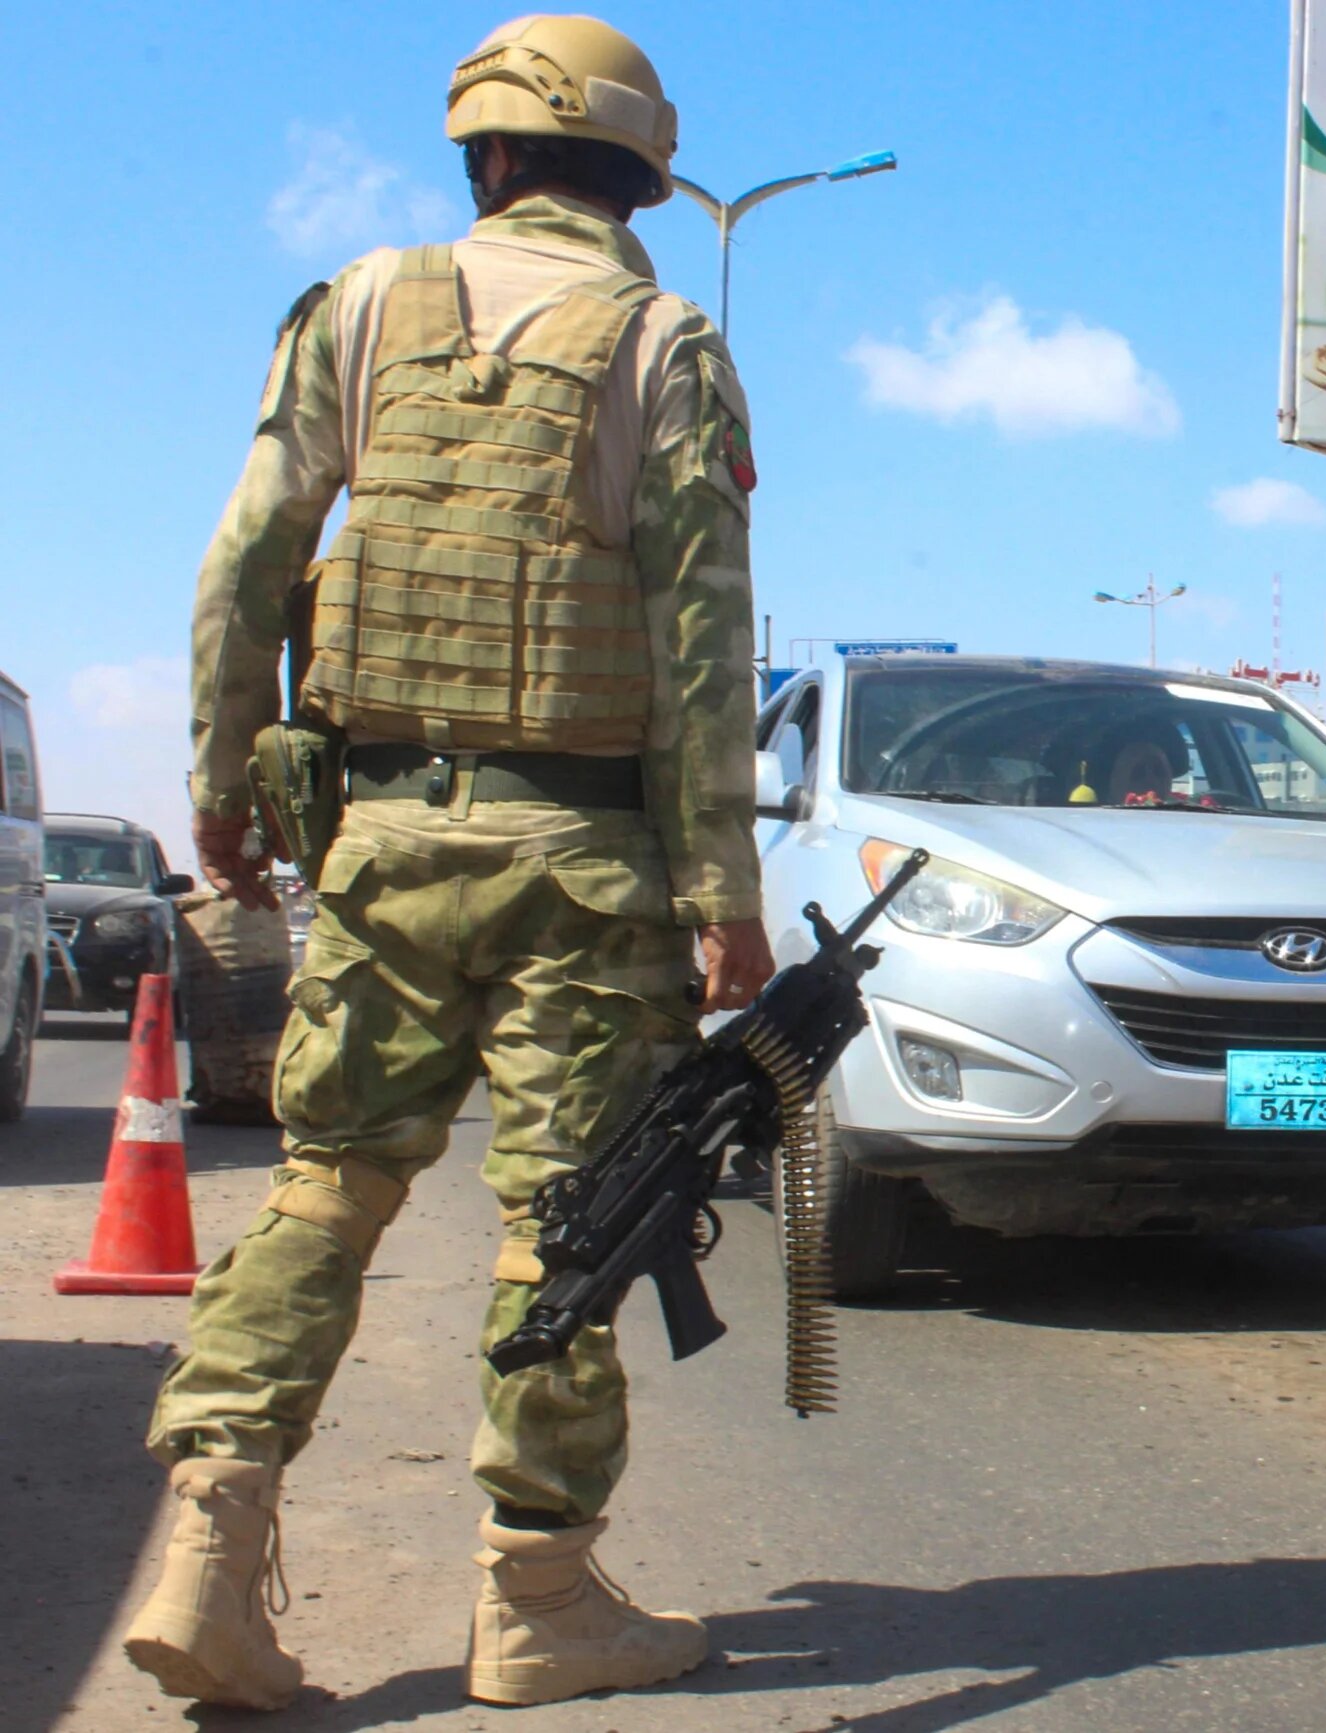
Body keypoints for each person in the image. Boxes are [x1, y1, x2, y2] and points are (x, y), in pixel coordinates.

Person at [128, 16, 772, 1710]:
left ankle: (208, 1552)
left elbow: (249, 556)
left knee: (327, 1186)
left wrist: (217, 786)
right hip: (583, 865)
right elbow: (703, 637)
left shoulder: (356, 304)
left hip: (383, 843)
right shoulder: (666, 334)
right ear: (643, 175)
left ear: (480, 155)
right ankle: (535, 1597)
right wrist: (726, 895)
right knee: (561, 1225)